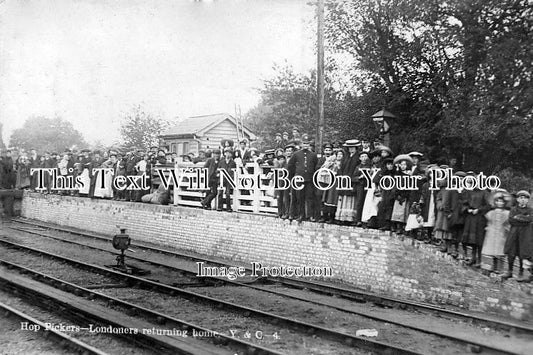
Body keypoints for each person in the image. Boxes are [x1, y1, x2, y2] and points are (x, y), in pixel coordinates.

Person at [502, 190, 533, 281]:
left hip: (524, 234)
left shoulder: (530, 210)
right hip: (513, 233)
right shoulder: (513, 209)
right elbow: (511, 220)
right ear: (518, 199)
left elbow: (530, 219)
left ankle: (520, 272)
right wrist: (524, 218)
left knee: (521, 253)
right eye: (521, 198)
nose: (523, 200)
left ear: (528, 200)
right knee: (511, 252)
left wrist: (518, 217)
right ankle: (509, 271)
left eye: (525, 198)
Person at [461, 172, 490, 267]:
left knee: (479, 240)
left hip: (480, 218)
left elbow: (488, 205)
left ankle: (479, 260)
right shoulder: (470, 191)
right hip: (471, 217)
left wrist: (478, 210)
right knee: (472, 240)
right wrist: (468, 209)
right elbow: (465, 202)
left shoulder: (485, 193)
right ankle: (473, 258)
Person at [287, 139, 318, 222]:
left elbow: (315, 166)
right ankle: (301, 215)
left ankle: (310, 215)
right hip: (299, 180)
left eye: (307, 144)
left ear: (309, 145)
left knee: (310, 197)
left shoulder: (313, 155)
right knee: (300, 198)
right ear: (301, 144)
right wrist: (296, 174)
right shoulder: (296, 154)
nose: (305, 145)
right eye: (304, 143)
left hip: (309, 179)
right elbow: (290, 165)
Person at [482, 192, 510, 273]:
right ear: (495, 202)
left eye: (501, 201)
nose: (500, 203)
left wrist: (506, 229)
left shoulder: (507, 213)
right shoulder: (491, 213)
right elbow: (489, 222)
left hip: (501, 233)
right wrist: (488, 228)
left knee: (500, 250)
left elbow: (508, 224)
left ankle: (500, 268)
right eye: (498, 201)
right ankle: (493, 265)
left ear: (504, 203)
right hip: (492, 232)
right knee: (492, 249)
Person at [335, 140, 360, 224]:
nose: (351, 149)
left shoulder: (358, 157)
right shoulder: (346, 157)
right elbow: (342, 167)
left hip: (352, 181)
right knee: (343, 197)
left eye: (352, 147)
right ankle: (342, 218)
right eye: (349, 148)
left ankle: (350, 219)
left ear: (356, 148)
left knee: (351, 198)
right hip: (345, 180)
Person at [217, 148, 236, 212]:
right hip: (222, 179)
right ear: (225, 154)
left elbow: (234, 171)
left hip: (228, 179)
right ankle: (220, 207)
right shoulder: (221, 162)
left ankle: (228, 207)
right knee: (220, 193)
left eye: (229, 153)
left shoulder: (233, 163)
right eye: (226, 153)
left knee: (228, 193)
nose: (228, 154)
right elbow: (218, 169)